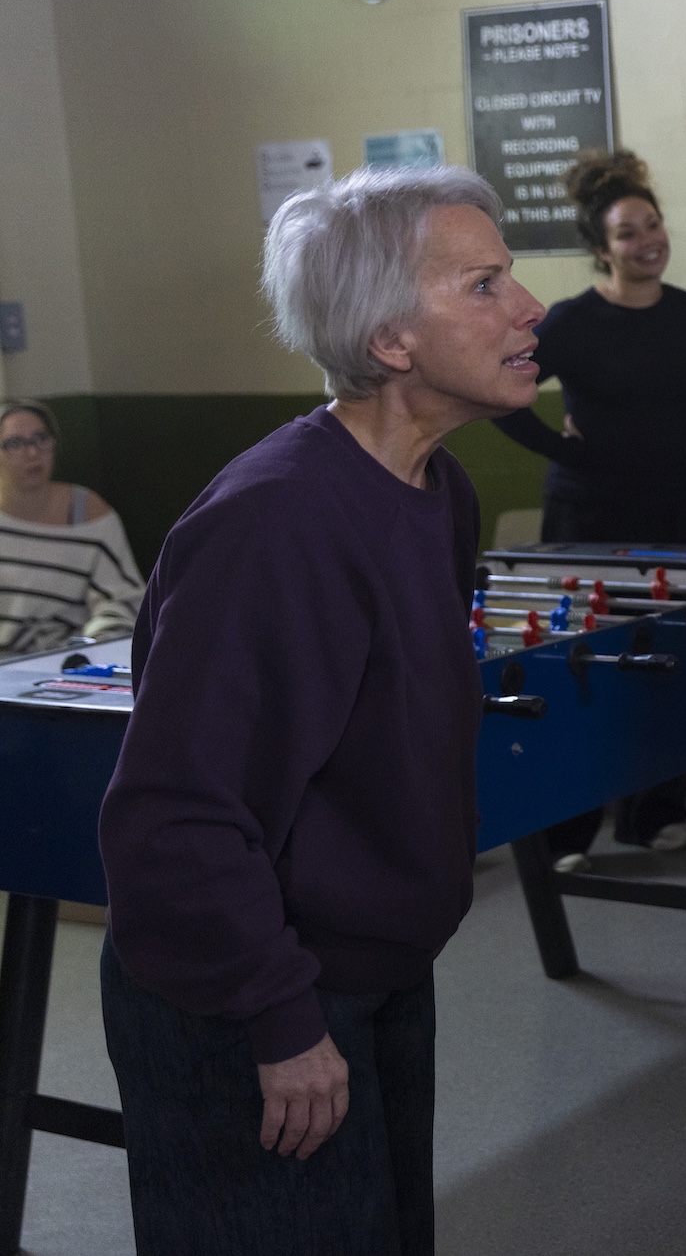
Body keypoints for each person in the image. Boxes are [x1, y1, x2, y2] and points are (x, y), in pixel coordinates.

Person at [96, 165, 543, 1254]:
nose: (529, 309)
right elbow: (176, 815)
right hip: (252, 997)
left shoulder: (441, 490)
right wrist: (280, 1015)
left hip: (371, 968)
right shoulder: (275, 525)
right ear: (392, 340)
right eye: (485, 285)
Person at [494, 149, 686, 864]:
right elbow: (502, 396)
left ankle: (653, 813)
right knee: (588, 667)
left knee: (667, 662)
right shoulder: (574, 322)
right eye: (627, 232)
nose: (648, 240)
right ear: (599, 248)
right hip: (589, 522)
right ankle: (568, 830)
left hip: (676, 515)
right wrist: (565, 449)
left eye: (653, 224)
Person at [0, 399, 143, 653]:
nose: (32, 453)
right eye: (14, 443)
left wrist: (91, 650)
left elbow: (122, 599)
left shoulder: (87, 513)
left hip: (65, 660)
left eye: (40, 438)